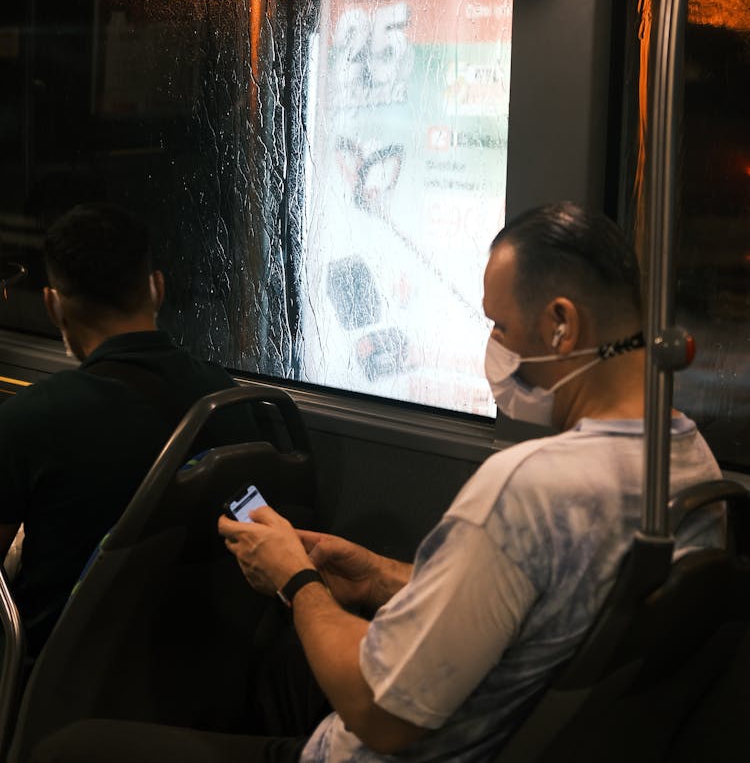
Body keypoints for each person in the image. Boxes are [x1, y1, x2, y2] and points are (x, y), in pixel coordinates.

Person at [32, 202, 723, 763]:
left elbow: (384, 715)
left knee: (74, 747)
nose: (498, 349)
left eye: (501, 326)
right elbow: (546, 607)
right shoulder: (689, 464)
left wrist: (295, 580)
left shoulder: (528, 486)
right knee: (267, 668)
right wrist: (380, 578)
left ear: (562, 323)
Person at [0, 201, 254, 658]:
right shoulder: (230, 400)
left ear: (53, 304)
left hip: (60, 682)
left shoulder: (29, 420)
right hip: (206, 664)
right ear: (156, 288)